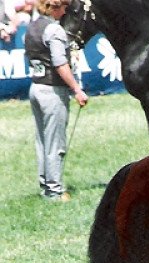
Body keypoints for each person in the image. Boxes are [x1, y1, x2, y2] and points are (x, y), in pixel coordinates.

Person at [24, 0, 88, 201]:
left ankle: (45, 185)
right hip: (52, 91)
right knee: (55, 142)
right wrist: (77, 89)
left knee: (42, 141)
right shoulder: (55, 30)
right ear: (52, 7)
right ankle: (54, 190)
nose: (65, 11)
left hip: (36, 87)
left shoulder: (32, 26)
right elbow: (60, 64)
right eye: (63, 7)